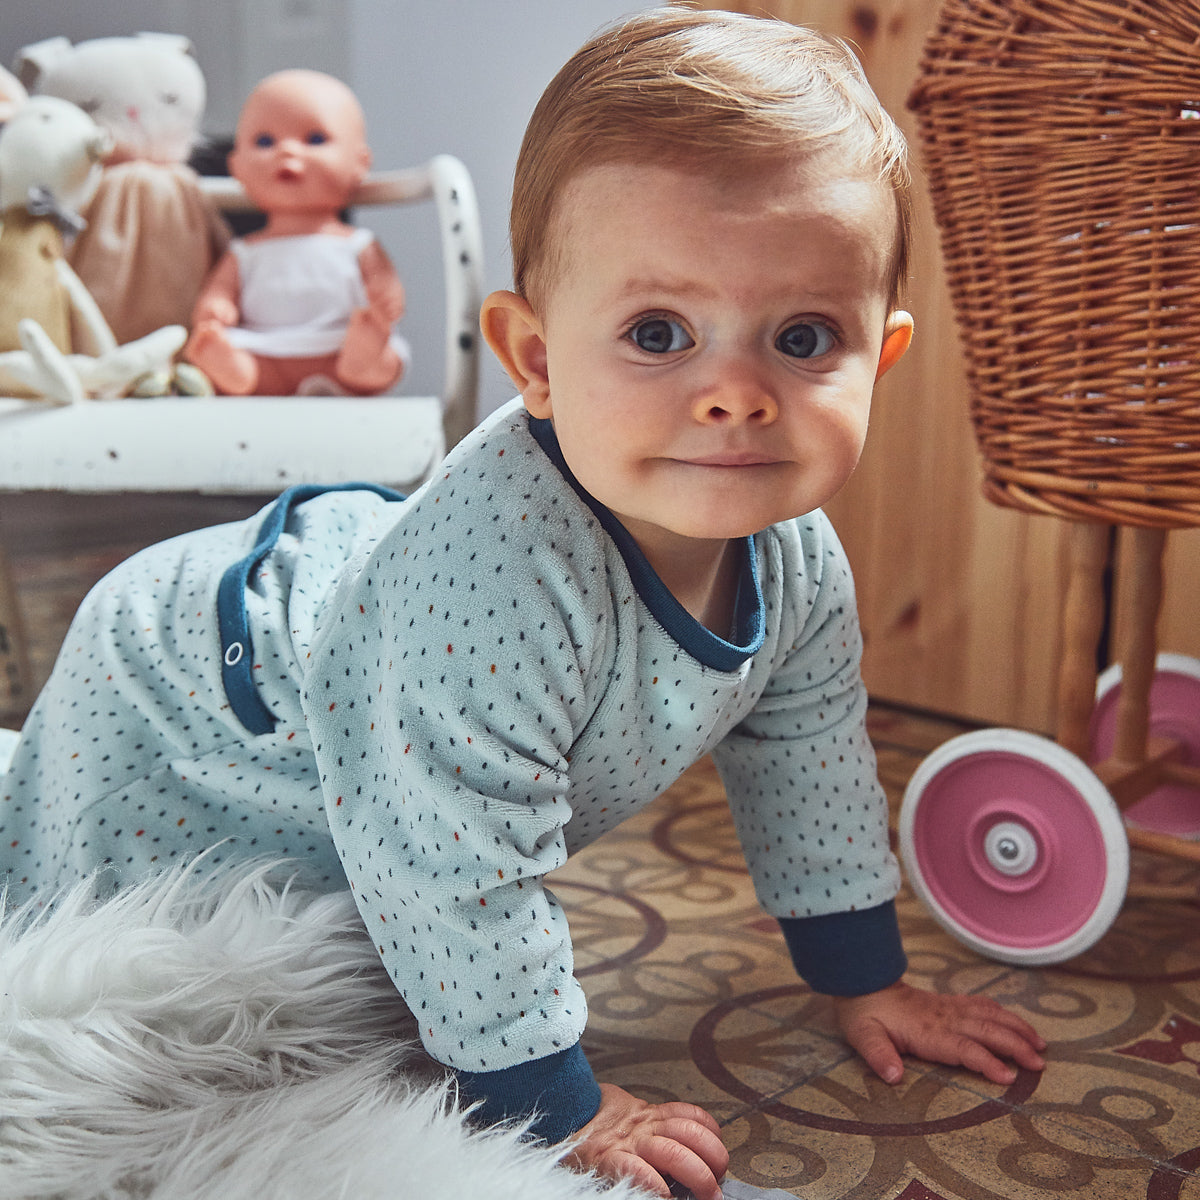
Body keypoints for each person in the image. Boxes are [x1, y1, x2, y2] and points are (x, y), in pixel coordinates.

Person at [0, 11, 1046, 1198]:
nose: (737, 396)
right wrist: (554, 1108)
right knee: (106, 981)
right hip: (183, 697)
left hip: (376, 685)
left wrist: (863, 976)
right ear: (535, 360)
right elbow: (455, 866)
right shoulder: (496, 579)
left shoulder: (799, 558)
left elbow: (811, 759)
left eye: (804, 338)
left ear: (881, 360)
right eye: (660, 334)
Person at [183, 68, 407, 395]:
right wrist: (216, 307)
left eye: (315, 139)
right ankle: (236, 371)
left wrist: (386, 298)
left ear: (360, 162)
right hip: (265, 348)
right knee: (240, 356)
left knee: (390, 359)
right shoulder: (245, 250)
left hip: (340, 346)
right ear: (237, 166)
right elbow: (220, 291)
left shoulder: (358, 245)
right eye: (264, 141)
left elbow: (383, 285)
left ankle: (365, 362)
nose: (286, 151)